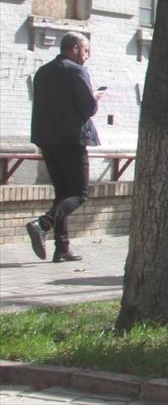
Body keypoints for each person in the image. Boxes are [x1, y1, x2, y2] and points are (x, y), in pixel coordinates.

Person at [25, 32, 103, 263]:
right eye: (86, 50)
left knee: (62, 193)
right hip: (72, 141)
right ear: (74, 48)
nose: (87, 56)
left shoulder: (43, 72)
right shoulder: (77, 71)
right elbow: (88, 108)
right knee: (79, 193)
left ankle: (62, 248)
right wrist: (94, 97)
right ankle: (42, 224)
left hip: (47, 140)